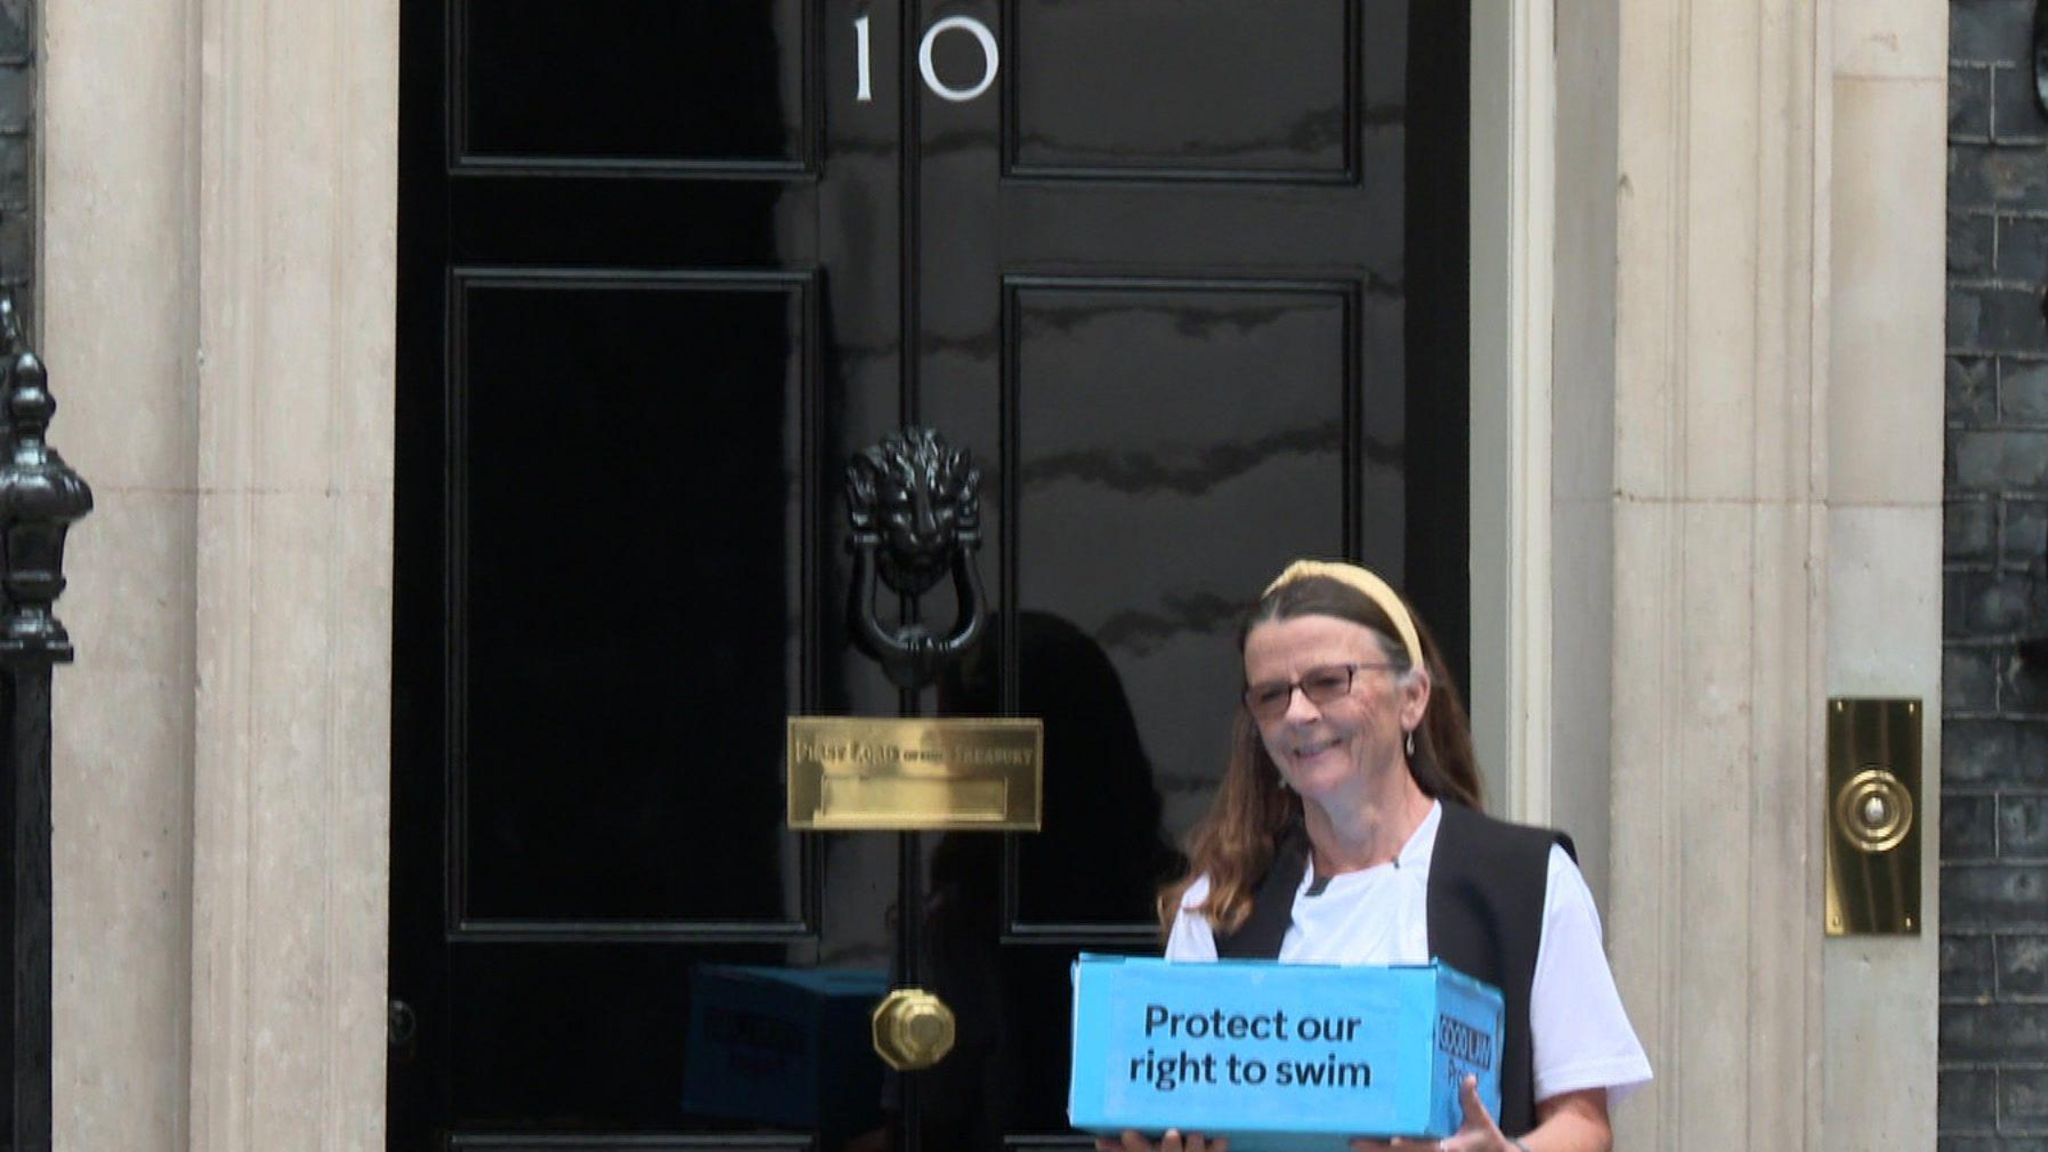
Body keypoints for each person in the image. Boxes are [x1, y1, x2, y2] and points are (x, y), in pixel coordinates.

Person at [1096, 560, 1649, 1152]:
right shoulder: (1222, 903)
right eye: (1271, 695)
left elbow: (1585, 1124)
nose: (1298, 714)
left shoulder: (1527, 881)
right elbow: (1180, 1111)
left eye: (1330, 681)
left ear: (1412, 698)